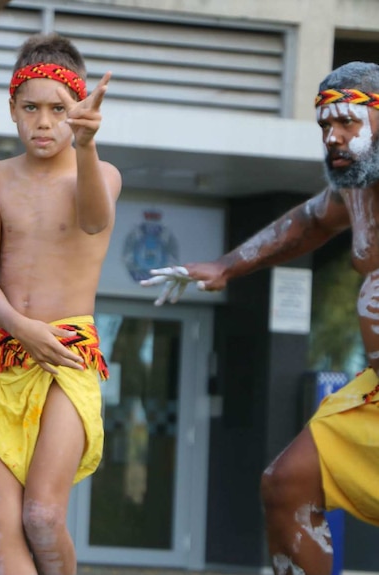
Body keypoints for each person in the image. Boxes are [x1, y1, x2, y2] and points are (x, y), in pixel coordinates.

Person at [141, 61, 379, 574]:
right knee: (286, 484)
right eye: (324, 126)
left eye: (347, 123)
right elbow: (309, 222)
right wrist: (228, 264)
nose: (333, 138)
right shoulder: (357, 191)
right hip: (375, 394)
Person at [0, 33, 121, 575]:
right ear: (11, 108)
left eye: (59, 109)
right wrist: (19, 326)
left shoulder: (100, 174)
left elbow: (96, 221)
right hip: (2, 350)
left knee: (43, 515)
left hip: (67, 354)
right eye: (30, 108)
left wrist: (87, 145)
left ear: (78, 111)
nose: (44, 122)